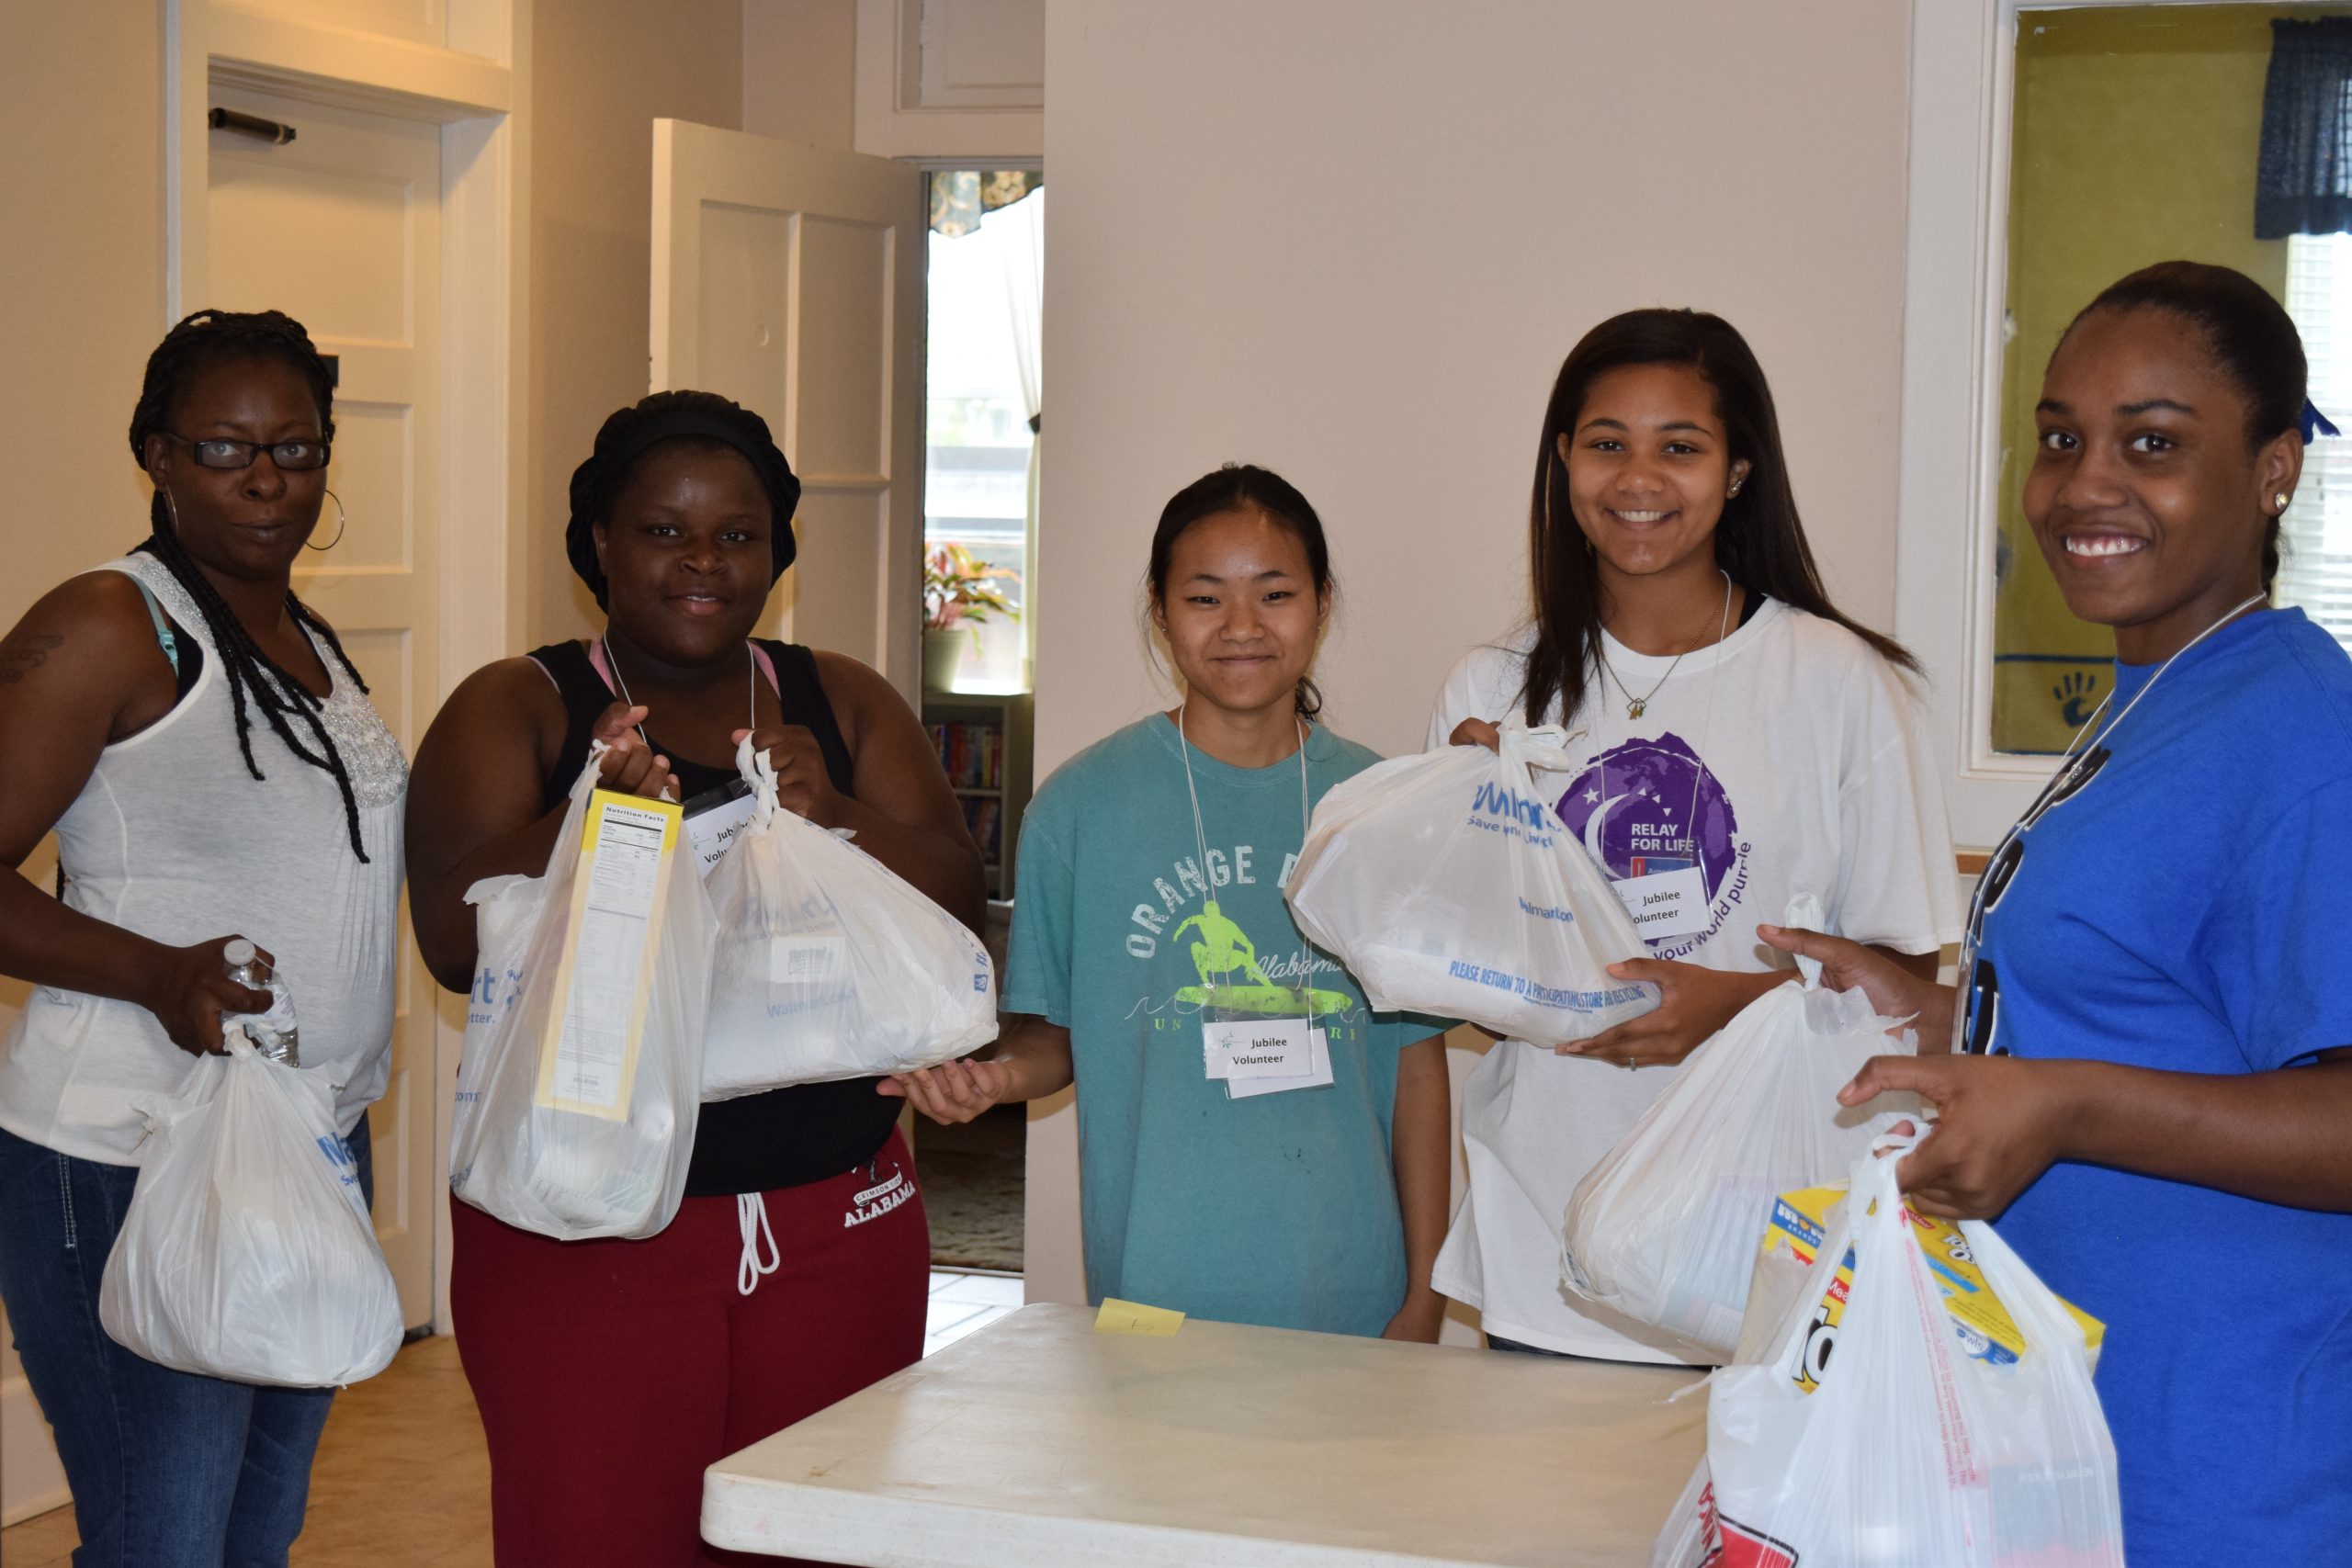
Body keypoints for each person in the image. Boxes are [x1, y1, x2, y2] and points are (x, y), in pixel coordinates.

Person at [1765, 262, 2352, 1566]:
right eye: (2060, 438)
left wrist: (2070, 1104)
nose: (2086, 482)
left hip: (2218, 1469)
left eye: (2153, 442)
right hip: (2069, 1440)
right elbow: (2157, 1004)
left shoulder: (2304, 729)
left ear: (2273, 471)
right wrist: (1929, 1006)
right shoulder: (2158, 698)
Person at [404, 389, 984, 1567]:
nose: (703, 560)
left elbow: (961, 912)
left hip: (839, 1222)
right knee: (597, 1540)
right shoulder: (520, 702)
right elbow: (451, 941)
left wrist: (840, 814)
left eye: (738, 532)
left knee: (819, 1540)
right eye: (664, 530)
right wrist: (591, 821)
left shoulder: (839, 697)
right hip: (585, 1239)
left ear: (775, 550)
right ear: (600, 545)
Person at [1430, 309, 1962, 1361]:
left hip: (1764, 1254)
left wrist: (1734, 1008)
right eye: (1605, 443)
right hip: (1545, 1260)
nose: (1638, 478)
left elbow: (1906, 981)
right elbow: (1464, 986)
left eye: (1680, 447)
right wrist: (1458, 829)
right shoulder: (1489, 692)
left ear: (1737, 471)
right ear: (1563, 462)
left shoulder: (1837, 682)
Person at [0, 308, 406, 1563]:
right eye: (228, 449)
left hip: (303, 1144)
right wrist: (156, 971)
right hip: (129, 1149)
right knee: (161, 1541)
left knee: (250, 1535)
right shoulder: (114, 624)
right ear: (157, 456)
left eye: (297, 445)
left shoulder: (308, 639)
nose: (270, 477)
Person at [885, 464, 1453, 1340]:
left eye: (1274, 593)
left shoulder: (1383, 808)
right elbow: (1053, 1037)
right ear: (1160, 611)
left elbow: (1417, 1067)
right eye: (1204, 598)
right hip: (1152, 1294)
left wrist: (1424, 1295)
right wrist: (994, 1079)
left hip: (1349, 1291)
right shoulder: (1079, 809)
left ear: (1322, 602)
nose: (1241, 628)